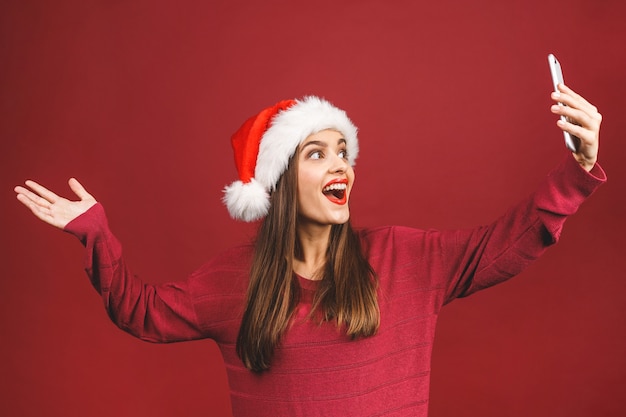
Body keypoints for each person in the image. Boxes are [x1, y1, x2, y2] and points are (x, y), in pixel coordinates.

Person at [14, 84, 605, 417]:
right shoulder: (231, 282)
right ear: (275, 185)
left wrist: (577, 169)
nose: (339, 163)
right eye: (316, 153)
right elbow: (138, 311)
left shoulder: (405, 259)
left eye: (342, 150)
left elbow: (504, 244)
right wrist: (95, 232)